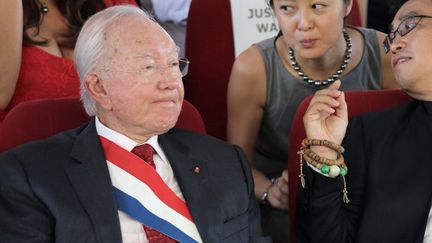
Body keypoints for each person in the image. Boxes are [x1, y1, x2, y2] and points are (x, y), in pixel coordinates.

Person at [0, 5, 271, 243]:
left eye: (174, 64)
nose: (170, 82)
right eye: (148, 67)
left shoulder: (227, 163)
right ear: (99, 88)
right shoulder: (30, 177)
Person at [227, 0, 400, 241]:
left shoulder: (386, 53)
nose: (303, 24)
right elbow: (237, 163)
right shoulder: (252, 68)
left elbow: (406, 142)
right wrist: (269, 191)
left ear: (347, 5)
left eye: (317, 6)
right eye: (287, 8)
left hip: (372, 195)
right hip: (287, 204)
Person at [297, 0, 432, 242]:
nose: (395, 44)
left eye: (409, 25)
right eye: (391, 36)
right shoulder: (371, 133)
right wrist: (324, 154)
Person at [0, 0, 137, 122]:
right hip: (23, 143)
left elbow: (145, 78)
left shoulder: (111, 4)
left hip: (102, 142)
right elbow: (2, 96)